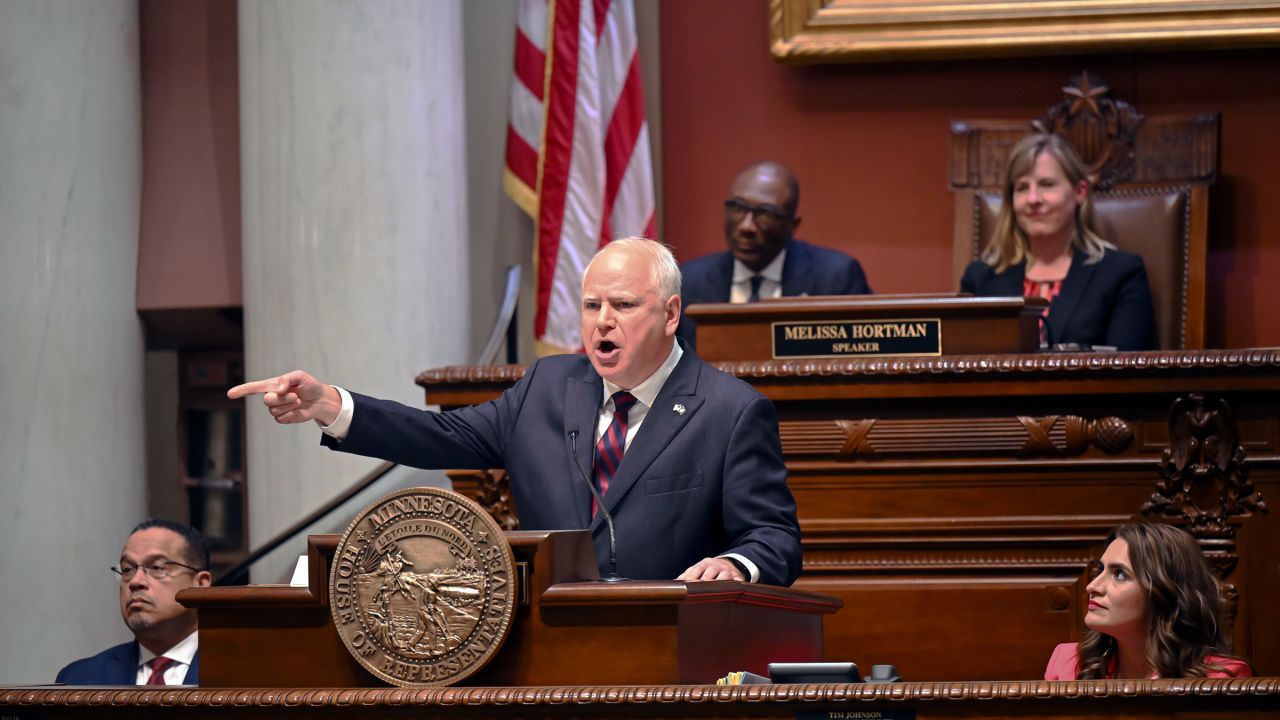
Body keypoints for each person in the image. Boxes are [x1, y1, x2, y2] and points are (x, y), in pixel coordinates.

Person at [228, 237, 802, 586]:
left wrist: (735, 565)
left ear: (671, 314)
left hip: (671, 656)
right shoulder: (547, 387)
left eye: (624, 305)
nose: (602, 320)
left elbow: (775, 538)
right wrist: (332, 405)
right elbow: (440, 435)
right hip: (546, 656)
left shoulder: (730, 412)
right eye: (592, 304)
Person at [960, 133, 1157, 351]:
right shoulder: (980, 279)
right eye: (1022, 187)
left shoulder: (1121, 274)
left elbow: (1134, 372)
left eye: (1047, 184)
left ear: (1080, 192)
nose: (1033, 199)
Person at [677, 161, 871, 345]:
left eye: (766, 213)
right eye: (738, 207)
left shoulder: (835, 280)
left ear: (792, 225)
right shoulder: (688, 282)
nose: (747, 226)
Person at [1044, 522, 1252, 680]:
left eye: (1119, 574)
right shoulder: (1067, 663)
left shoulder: (1223, 677)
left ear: (1164, 593)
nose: (1092, 587)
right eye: (1100, 570)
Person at [57, 519, 212, 685]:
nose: (135, 581)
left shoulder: (240, 670)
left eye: (157, 567)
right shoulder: (79, 680)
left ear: (201, 584)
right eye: (127, 569)